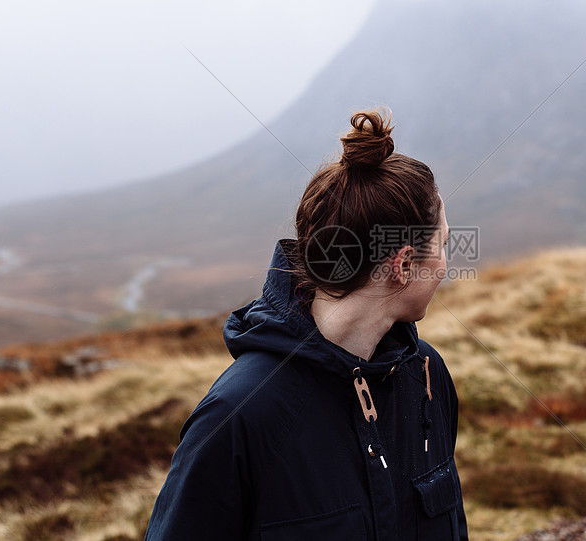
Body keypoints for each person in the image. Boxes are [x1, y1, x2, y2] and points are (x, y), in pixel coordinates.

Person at [144, 109, 468, 540]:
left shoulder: (427, 375)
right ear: (404, 264)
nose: (447, 264)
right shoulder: (239, 416)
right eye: (443, 245)